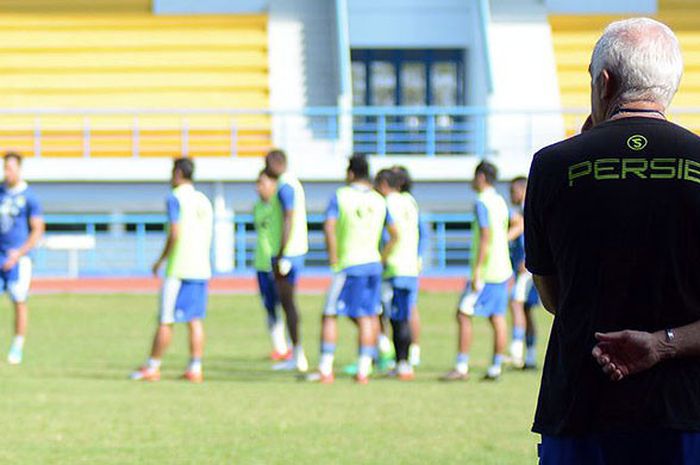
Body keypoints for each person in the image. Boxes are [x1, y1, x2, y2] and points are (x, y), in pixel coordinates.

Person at [525, 17, 700, 464]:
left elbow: (552, 297)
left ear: (604, 82)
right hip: (688, 411)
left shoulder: (552, 165)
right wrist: (664, 343)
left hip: (582, 406)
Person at [308, 154, 397, 384]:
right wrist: (381, 258)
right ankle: (363, 370)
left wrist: (333, 256)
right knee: (368, 316)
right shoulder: (379, 200)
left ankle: (326, 369)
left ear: (350, 173)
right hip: (372, 266)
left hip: (348, 265)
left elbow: (329, 226)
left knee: (329, 314)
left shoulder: (341, 196)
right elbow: (395, 234)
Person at [131, 157, 213, 383]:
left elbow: (175, 233)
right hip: (201, 267)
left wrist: (160, 260)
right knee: (195, 320)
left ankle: (153, 366)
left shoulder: (175, 198)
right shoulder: (204, 200)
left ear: (178, 173)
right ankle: (195, 368)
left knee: (166, 319)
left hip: (179, 267)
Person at [442, 161, 512, 381]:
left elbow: (485, 235)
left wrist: (478, 270)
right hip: (503, 267)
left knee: (463, 314)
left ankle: (461, 366)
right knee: (497, 317)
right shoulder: (500, 201)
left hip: (488, 270)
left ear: (481, 177)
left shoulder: (481, 202)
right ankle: (495, 367)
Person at [264, 149, 309, 372]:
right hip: (293, 251)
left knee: (288, 303)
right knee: (287, 304)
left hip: (288, 254)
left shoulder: (285, 185)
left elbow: (288, 217)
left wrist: (281, 252)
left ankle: (298, 354)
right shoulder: (293, 183)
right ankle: (296, 352)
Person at [0, 152, 44, 365]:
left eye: (11, 168)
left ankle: (17, 346)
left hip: (19, 259)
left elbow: (37, 229)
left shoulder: (30, 197)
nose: (7, 172)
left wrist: (19, 253)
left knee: (18, 300)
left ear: (19, 169)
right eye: (5, 167)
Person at [376, 168, 420, 380]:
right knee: (402, 315)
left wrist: (381, 258)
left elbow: (392, 236)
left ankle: (402, 363)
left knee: (397, 317)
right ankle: (403, 361)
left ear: (384, 184)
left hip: (395, 267)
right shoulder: (409, 201)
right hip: (410, 266)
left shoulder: (387, 204)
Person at [253, 169, 290, 361]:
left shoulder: (279, 204)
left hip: (276, 262)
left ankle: (291, 347)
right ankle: (280, 347)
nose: (259, 187)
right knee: (269, 306)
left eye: (263, 183)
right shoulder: (257, 207)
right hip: (261, 263)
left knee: (285, 304)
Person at [392, 165, 426, 367]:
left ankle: (407, 352)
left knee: (401, 311)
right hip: (408, 265)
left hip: (398, 264)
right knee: (407, 309)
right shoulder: (410, 202)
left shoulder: (396, 201)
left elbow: (422, 232)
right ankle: (410, 351)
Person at [507, 176, 539, 369]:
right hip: (526, 267)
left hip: (526, 268)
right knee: (526, 310)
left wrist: (526, 259)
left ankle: (516, 352)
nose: (511, 196)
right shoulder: (521, 211)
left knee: (515, 303)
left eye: (513, 191)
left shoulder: (528, 211)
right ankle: (531, 357)